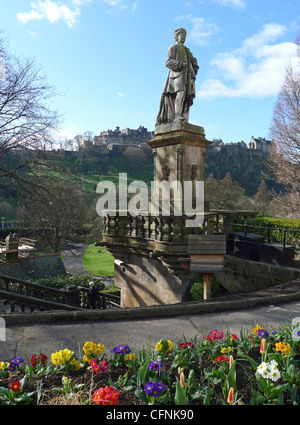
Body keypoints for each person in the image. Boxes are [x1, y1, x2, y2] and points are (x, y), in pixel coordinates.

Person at [156, 28, 199, 125]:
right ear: (176, 37)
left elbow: (193, 62)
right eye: (182, 35)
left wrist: (194, 66)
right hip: (176, 76)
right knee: (180, 93)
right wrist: (180, 64)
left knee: (184, 97)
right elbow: (168, 62)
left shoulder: (187, 51)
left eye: (185, 36)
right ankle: (177, 115)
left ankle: (183, 116)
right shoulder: (173, 48)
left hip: (186, 76)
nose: (184, 38)